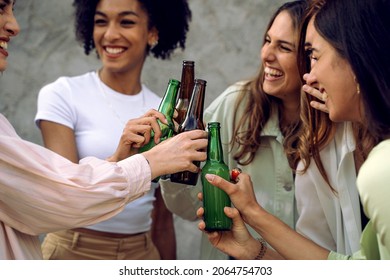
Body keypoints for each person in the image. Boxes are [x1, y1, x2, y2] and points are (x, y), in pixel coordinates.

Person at [0, 0, 207, 260]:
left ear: (153, 31)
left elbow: (161, 219)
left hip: (141, 253)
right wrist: (145, 161)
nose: (110, 34)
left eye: (127, 22)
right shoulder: (64, 94)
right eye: (100, 21)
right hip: (73, 250)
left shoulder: (165, 110)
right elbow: (65, 190)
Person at [198, 0, 390, 260]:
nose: (309, 75)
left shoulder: (381, 169)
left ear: (356, 62)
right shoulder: (323, 140)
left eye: (313, 55)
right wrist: (252, 246)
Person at [160, 0, 308, 259]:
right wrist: (172, 162)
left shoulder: (337, 121)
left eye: (284, 47)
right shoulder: (234, 105)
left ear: (311, 56)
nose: (266, 55)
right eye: (267, 41)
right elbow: (187, 204)